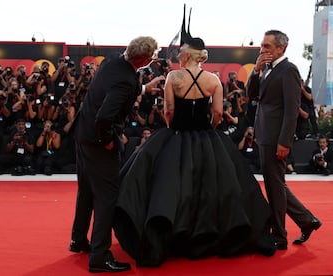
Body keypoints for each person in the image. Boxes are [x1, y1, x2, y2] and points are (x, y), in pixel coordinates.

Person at [113, 5, 276, 268]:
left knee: (167, 185)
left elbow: (168, 111)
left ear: (186, 54)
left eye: (179, 51)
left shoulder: (173, 78)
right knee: (217, 187)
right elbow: (218, 114)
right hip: (207, 138)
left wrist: (172, 126)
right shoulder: (213, 79)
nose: (177, 54)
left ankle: (170, 234)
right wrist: (209, 130)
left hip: (175, 135)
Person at [69, 35, 160, 273]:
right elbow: (105, 116)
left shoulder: (112, 61)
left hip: (82, 134)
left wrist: (143, 88)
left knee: (87, 191)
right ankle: (99, 256)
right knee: (107, 198)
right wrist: (108, 140)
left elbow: (115, 85)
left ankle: (78, 239)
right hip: (98, 142)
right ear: (144, 60)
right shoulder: (127, 81)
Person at [246, 29, 322, 250]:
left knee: (275, 187)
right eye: (261, 45)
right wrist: (256, 71)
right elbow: (252, 94)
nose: (262, 49)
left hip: (276, 138)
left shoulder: (289, 70)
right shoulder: (267, 69)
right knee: (276, 185)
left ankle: (280, 235)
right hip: (264, 134)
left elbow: (292, 110)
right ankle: (307, 221)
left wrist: (284, 142)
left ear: (281, 48)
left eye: (267, 46)